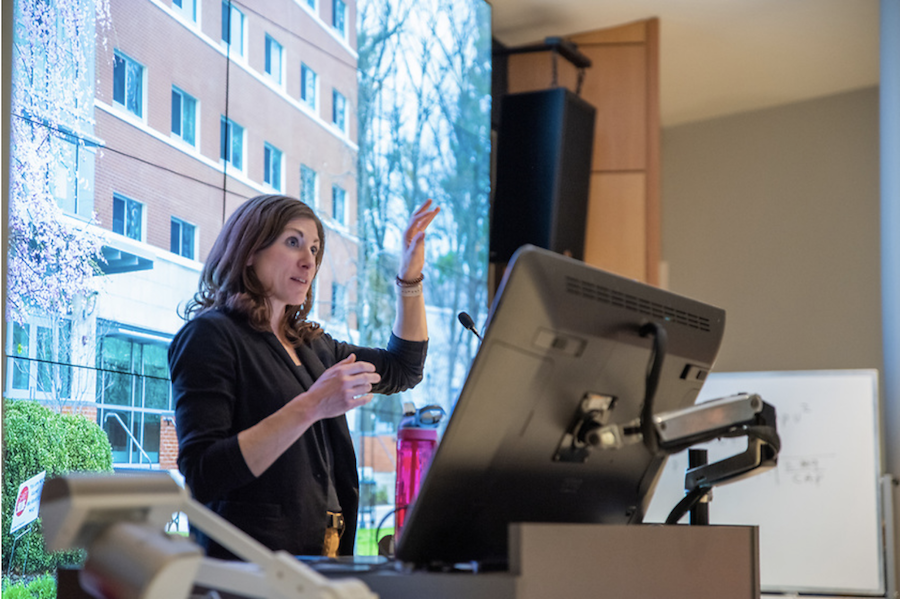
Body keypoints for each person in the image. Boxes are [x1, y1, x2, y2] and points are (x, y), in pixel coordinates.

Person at [168, 194, 439, 559]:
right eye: (293, 242)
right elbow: (203, 473)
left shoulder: (315, 348)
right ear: (249, 250)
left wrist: (409, 279)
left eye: (314, 249)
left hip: (324, 560)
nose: (308, 260)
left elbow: (404, 367)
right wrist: (312, 404)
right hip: (252, 572)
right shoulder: (210, 336)